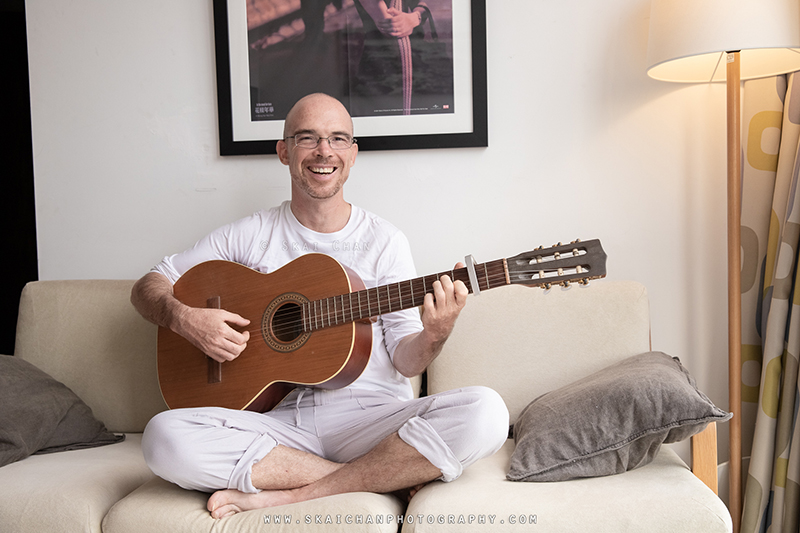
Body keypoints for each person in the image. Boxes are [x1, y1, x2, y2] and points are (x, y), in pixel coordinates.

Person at [131, 93, 508, 519]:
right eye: (307, 138)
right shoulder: (250, 234)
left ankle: (292, 494)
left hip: (370, 419)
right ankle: (370, 477)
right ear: (283, 150)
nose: (323, 151)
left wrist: (435, 334)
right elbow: (150, 284)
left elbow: (406, 361)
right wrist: (184, 318)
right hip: (279, 423)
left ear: (353, 153)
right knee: (163, 436)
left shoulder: (384, 241)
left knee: (487, 412)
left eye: (338, 139)